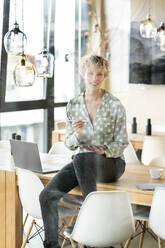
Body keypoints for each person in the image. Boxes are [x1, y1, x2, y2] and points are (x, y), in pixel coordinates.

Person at [39, 54, 128, 248]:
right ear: (83, 73)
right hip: (83, 163)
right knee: (46, 195)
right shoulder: (74, 105)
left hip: (111, 163)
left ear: (104, 76)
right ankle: (54, 245)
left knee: (83, 157)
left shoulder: (115, 105)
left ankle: (90, 232)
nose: (94, 78)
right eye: (90, 73)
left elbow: (122, 142)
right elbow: (70, 144)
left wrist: (103, 151)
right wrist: (77, 136)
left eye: (99, 74)